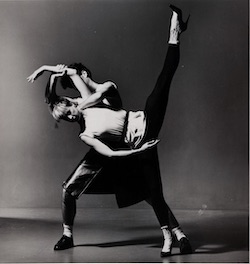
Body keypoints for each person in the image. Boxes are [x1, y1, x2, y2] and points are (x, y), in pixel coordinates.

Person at [27, 5, 192, 257]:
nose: (71, 116)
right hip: (119, 145)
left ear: (71, 101)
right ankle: (68, 234)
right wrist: (48, 75)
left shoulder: (87, 97)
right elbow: (56, 101)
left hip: (135, 129)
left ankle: (177, 232)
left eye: (70, 110)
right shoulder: (84, 131)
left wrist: (49, 71)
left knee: (148, 189)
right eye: (68, 118)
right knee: (71, 188)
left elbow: (71, 74)